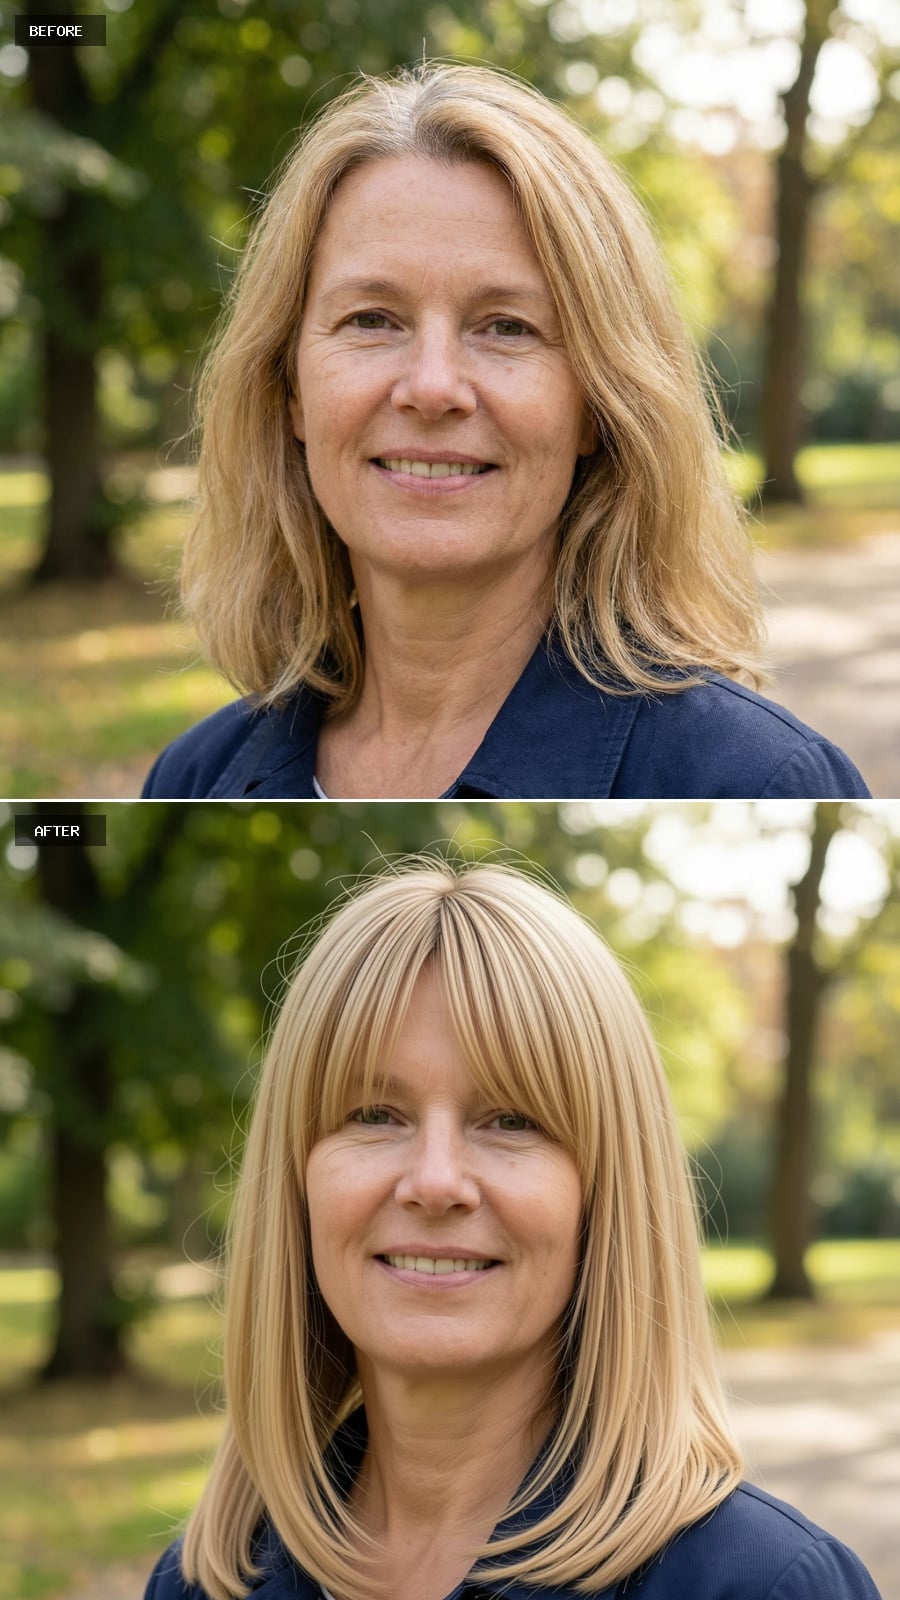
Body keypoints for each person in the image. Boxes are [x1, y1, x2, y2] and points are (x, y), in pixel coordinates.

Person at [144, 861, 882, 1600]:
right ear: (295, 1181)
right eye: (374, 1115)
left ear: (605, 1192)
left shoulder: (764, 1585)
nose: (436, 1182)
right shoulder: (202, 1584)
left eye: (511, 1120)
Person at [142, 64, 869, 801]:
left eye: (507, 327)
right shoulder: (195, 778)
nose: (432, 387)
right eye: (372, 319)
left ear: (596, 405)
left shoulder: (755, 781)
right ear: (291, 388)